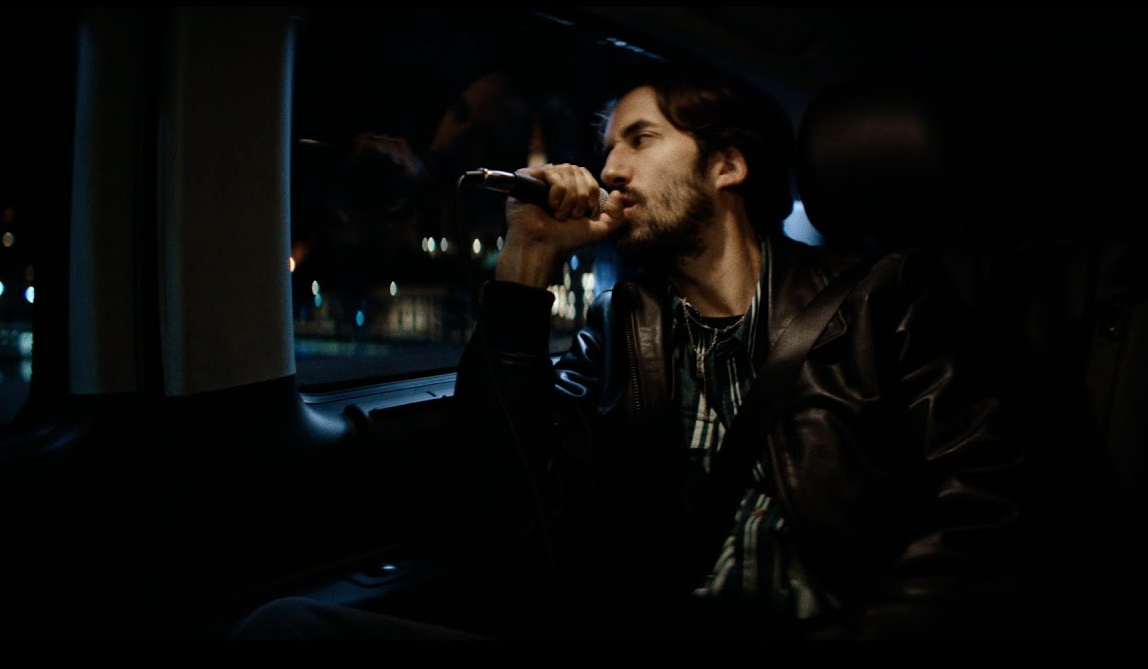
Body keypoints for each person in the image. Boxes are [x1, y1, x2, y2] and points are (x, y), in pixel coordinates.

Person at [232, 62, 1024, 640]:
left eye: (640, 139)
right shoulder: (618, 324)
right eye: (608, 147)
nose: (610, 169)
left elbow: (985, 518)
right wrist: (527, 264)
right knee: (285, 627)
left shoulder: (885, 297)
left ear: (727, 165)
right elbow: (505, 515)